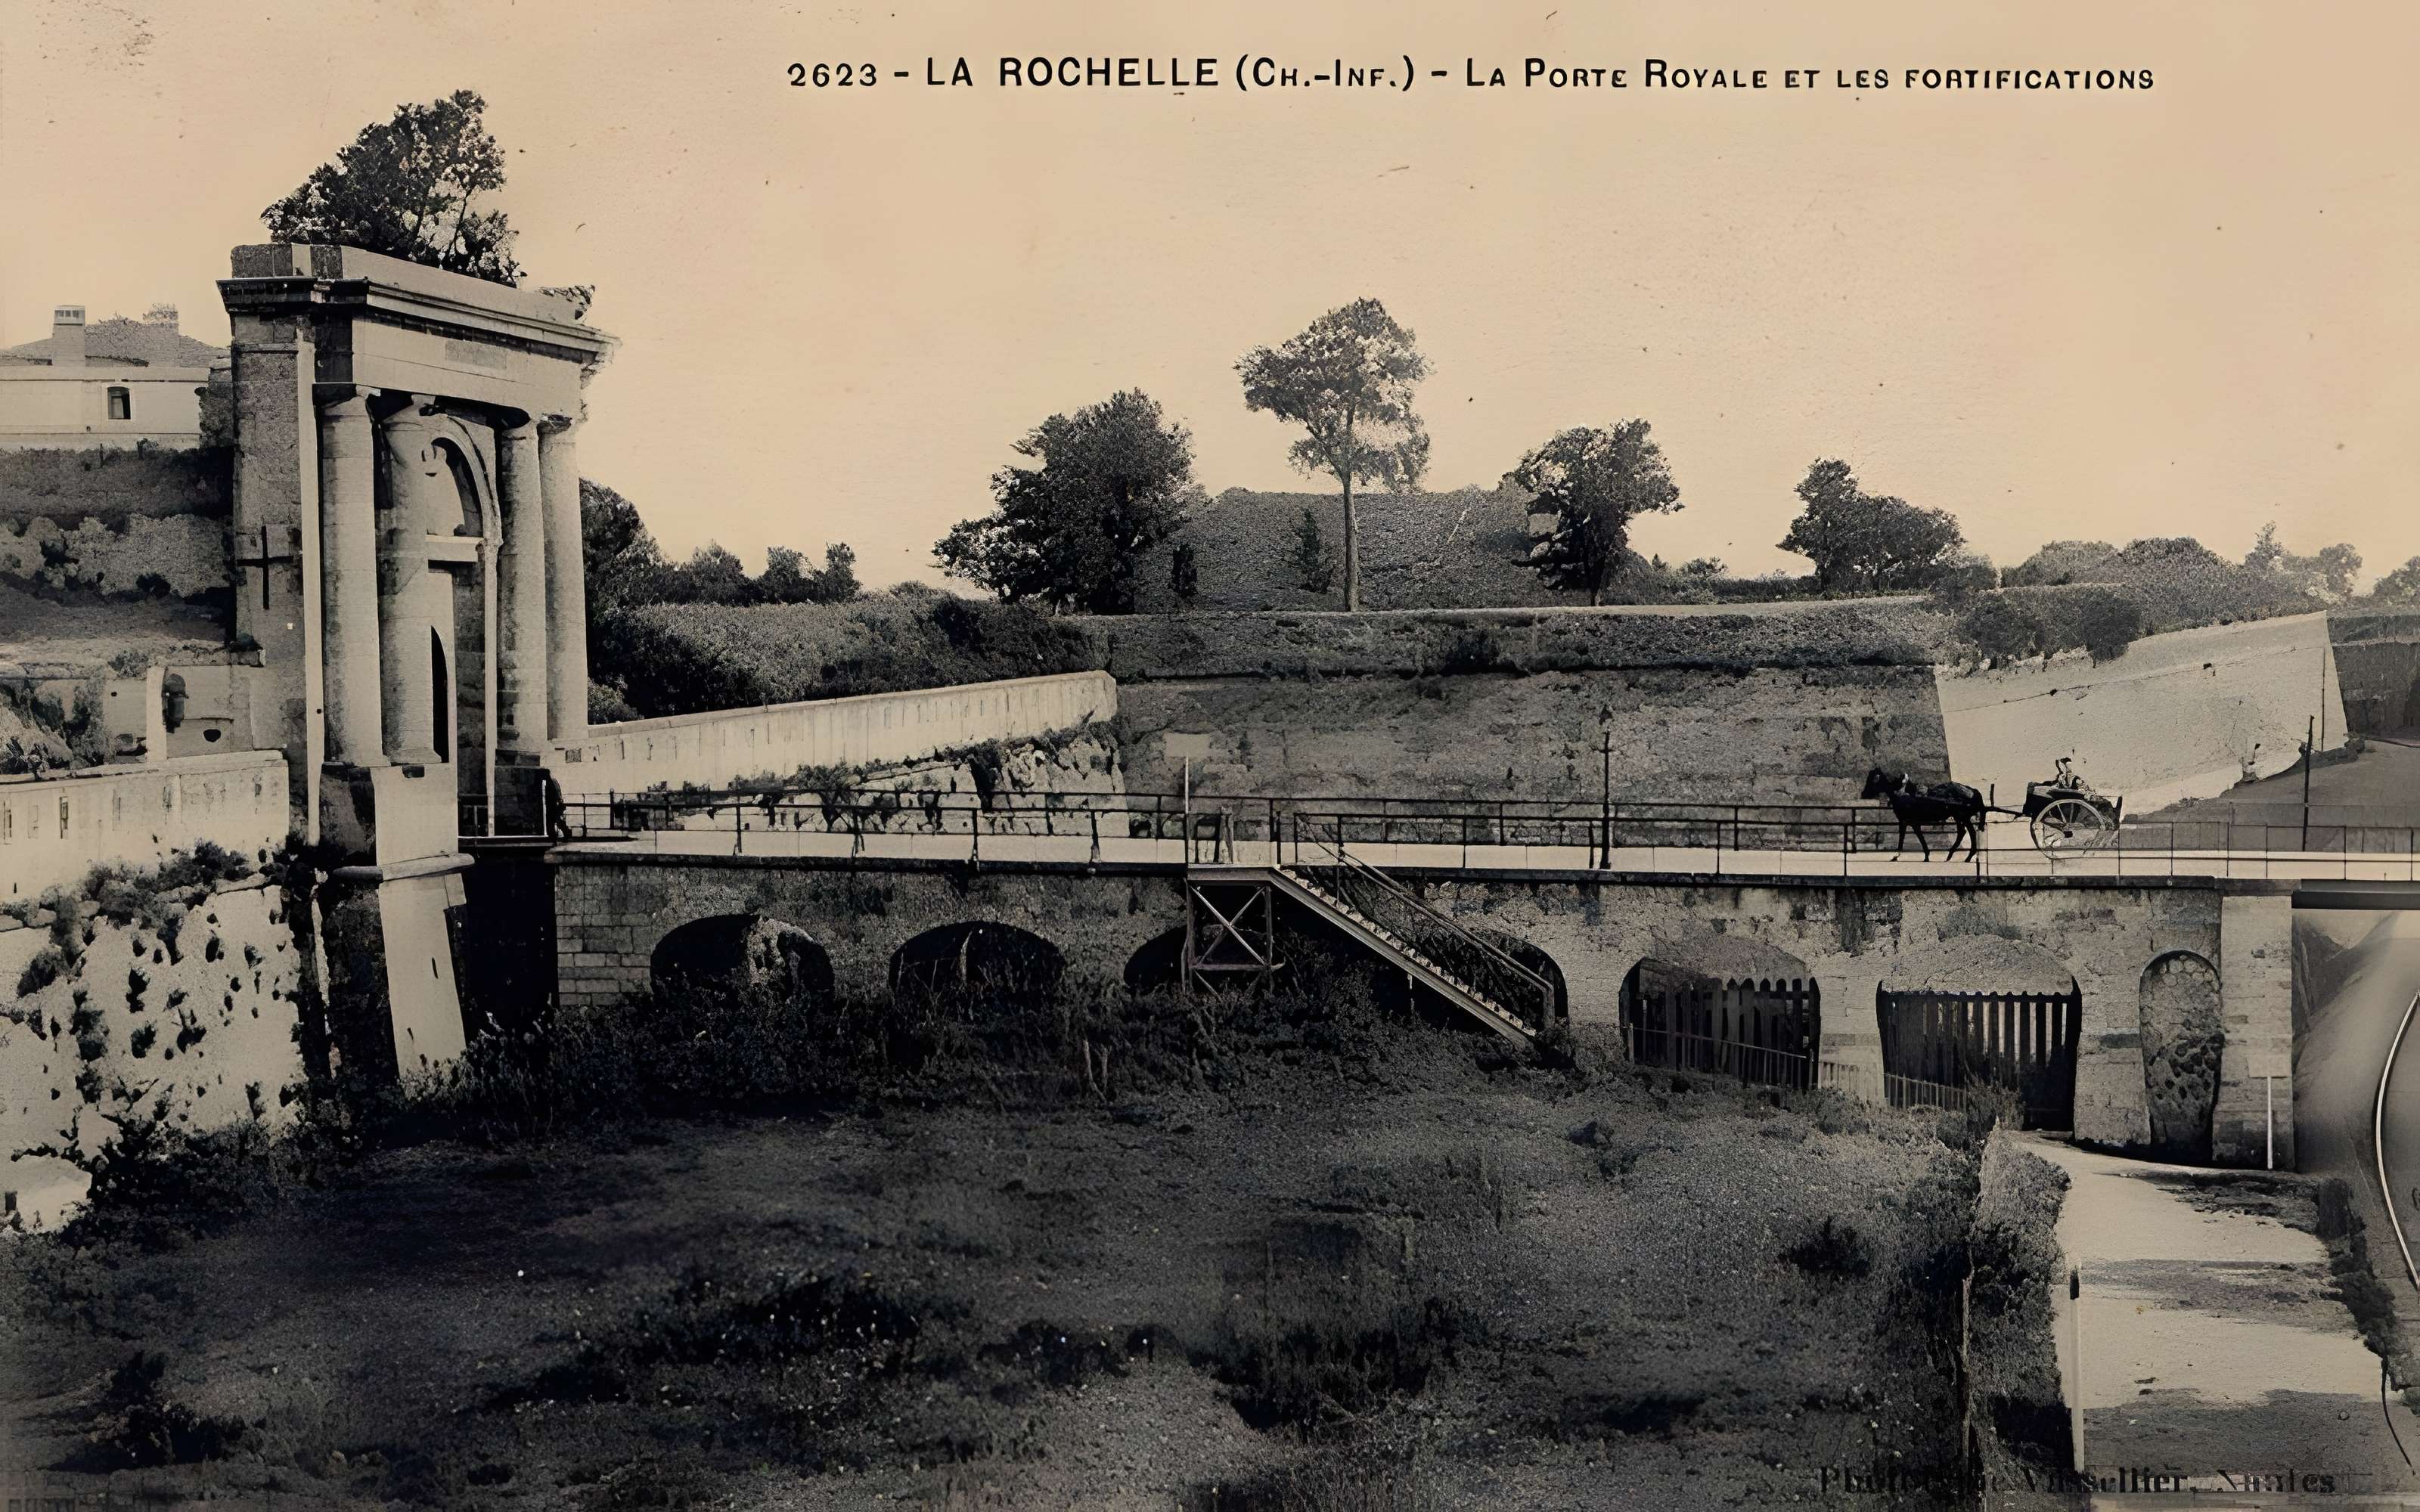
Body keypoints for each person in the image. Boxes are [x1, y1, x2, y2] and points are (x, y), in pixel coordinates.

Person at [544, 769, 572, 841]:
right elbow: (558, 791)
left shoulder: (550, 781)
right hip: (555, 804)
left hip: (554, 805)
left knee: (555, 820)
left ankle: (565, 833)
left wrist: (559, 801)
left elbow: (557, 792)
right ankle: (566, 833)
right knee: (557, 820)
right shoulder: (553, 781)